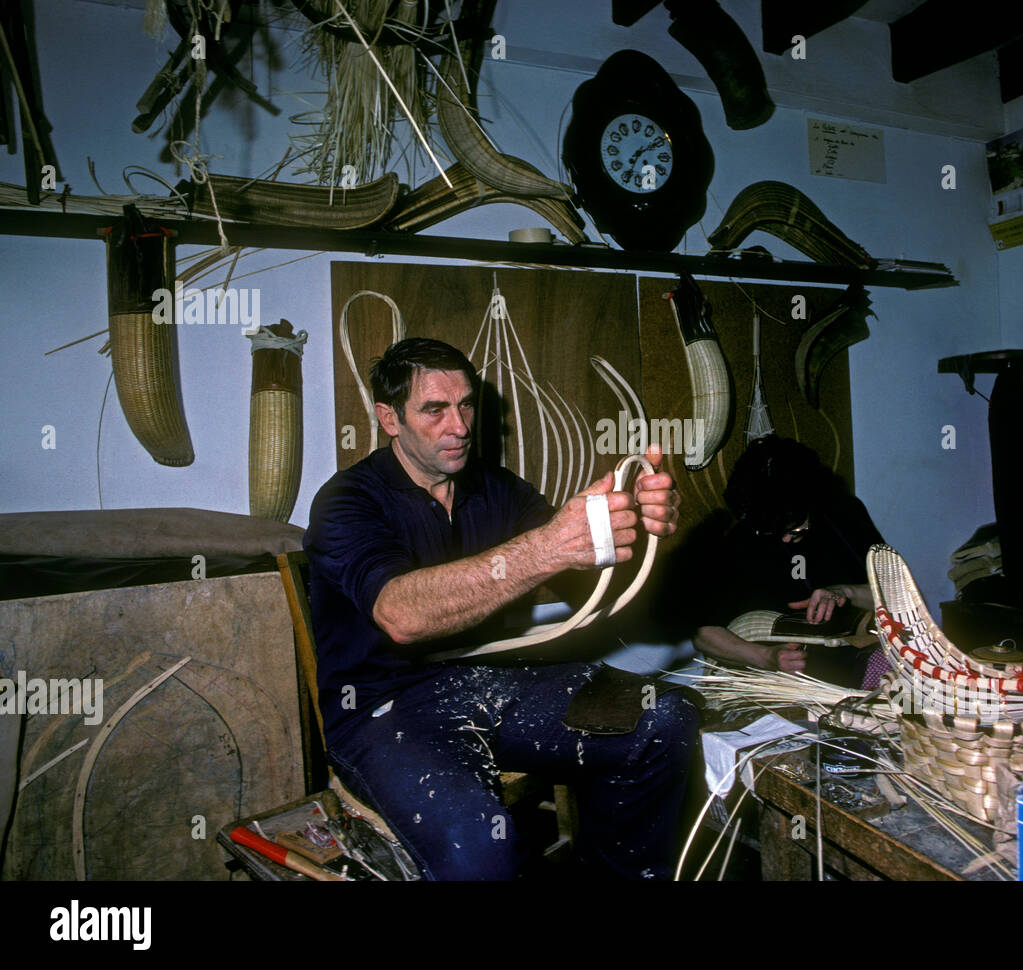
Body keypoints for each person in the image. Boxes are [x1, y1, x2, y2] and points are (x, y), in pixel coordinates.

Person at [304, 338, 697, 880]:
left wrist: (625, 528)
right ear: (388, 418)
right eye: (435, 409)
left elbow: (581, 583)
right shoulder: (347, 501)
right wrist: (549, 545)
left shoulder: (495, 488)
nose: (460, 425)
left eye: (466, 404)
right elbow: (401, 614)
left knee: (664, 719)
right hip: (382, 707)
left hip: (494, 680)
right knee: (480, 847)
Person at [661, 435, 889, 688]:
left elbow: (896, 599)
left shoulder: (844, 515)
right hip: (773, 673)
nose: (786, 539)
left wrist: (845, 591)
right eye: (772, 531)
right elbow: (704, 634)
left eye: (796, 529)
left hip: (854, 657)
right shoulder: (738, 540)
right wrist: (766, 657)